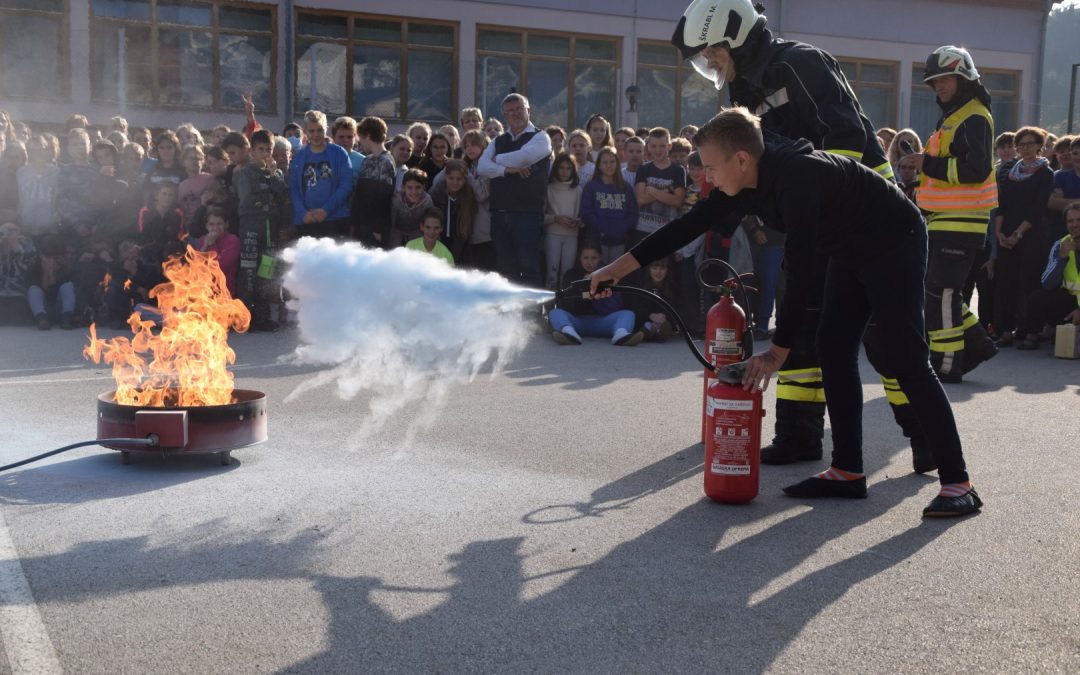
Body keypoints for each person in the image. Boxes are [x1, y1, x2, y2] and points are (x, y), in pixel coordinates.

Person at [591, 108, 981, 517]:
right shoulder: (744, 181)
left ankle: (959, 483)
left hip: (894, 241)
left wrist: (777, 351)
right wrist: (613, 271)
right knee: (833, 347)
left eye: (709, 167)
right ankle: (848, 471)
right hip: (849, 248)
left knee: (906, 358)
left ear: (741, 159)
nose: (705, 177)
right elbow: (688, 225)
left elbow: (801, 270)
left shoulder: (799, 176)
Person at [671, 0, 931, 473]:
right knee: (800, 322)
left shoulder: (801, 64)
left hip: (865, 216)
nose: (708, 63)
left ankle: (924, 436)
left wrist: (808, 197)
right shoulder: (745, 91)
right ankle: (797, 435)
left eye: (710, 52)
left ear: (734, 33)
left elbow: (847, 138)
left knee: (883, 340)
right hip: (810, 221)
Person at [907, 45, 1000, 382]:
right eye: (934, 82)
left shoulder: (973, 115)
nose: (939, 87)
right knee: (939, 290)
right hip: (946, 219)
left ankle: (947, 362)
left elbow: (976, 169)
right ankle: (975, 344)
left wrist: (927, 163)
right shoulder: (956, 115)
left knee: (942, 292)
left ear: (964, 78)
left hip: (961, 221)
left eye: (945, 79)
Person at [477, 93, 552, 288]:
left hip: (528, 215)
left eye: (519, 109)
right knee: (506, 270)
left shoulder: (541, 137)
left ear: (529, 110)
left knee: (529, 269)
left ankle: (531, 317)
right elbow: (482, 168)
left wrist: (497, 160)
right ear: (504, 115)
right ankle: (510, 317)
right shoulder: (498, 141)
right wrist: (506, 170)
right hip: (500, 215)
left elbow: (525, 157)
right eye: (510, 111)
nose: (515, 114)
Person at [991, 126, 1055, 346]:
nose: (1025, 148)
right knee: (1006, 283)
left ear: (1039, 145)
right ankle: (1006, 329)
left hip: (1031, 234)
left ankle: (1031, 331)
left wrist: (1018, 233)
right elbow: (1002, 204)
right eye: (1021, 144)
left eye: (1030, 144)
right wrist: (999, 232)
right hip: (1006, 233)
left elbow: (1037, 209)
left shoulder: (1045, 173)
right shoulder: (1011, 171)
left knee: (1030, 283)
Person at [234, 129, 289, 331]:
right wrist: (266, 199)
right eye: (261, 149)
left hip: (270, 230)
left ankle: (263, 317)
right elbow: (246, 200)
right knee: (248, 272)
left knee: (267, 273)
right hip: (251, 228)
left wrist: (274, 178)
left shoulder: (278, 173)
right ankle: (245, 319)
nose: (265, 154)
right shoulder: (245, 172)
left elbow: (282, 197)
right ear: (252, 151)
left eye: (269, 149)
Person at [550, 242, 643, 347]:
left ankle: (621, 335)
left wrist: (599, 288)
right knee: (555, 312)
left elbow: (615, 306)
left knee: (628, 314)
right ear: (579, 258)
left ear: (600, 258)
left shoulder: (608, 275)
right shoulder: (571, 275)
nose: (590, 262)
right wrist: (583, 288)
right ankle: (568, 334)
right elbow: (568, 306)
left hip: (603, 321)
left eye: (594, 258)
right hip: (578, 322)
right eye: (586, 258)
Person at [1015, 202, 1080, 349]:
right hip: (1070, 302)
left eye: (1079, 220)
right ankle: (1033, 336)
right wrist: (1061, 259)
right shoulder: (1060, 244)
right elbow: (1047, 283)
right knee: (1038, 297)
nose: (1075, 225)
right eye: (1070, 221)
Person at [289, 110, 352, 239]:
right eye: (312, 131)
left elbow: (346, 185)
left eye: (320, 130)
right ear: (305, 131)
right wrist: (302, 213)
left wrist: (326, 210)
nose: (316, 134)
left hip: (335, 219)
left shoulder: (339, 153)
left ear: (326, 130)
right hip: (306, 220)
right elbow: (294, 188)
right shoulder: (299, 157)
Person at [581, 148, 638, 265]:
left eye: (612, 162)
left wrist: (621, 229)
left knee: (614, 275)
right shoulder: (591, 187)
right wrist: (602, 228)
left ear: (617, 164)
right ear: (599, 166)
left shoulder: (626, 188)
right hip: (597, 240)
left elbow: (633, 213)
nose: (609, 165)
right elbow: (586, 213)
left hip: (619, 240)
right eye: (605, 162)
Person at [634, 127, 687, 247]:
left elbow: (678, 201)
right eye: (653, 146)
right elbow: (640, 200)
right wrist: (666, 192)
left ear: (669, 146)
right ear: (648, 147)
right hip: (643, 230)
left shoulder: (678, 170)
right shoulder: (643, 169)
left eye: (662, 146)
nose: (657, 150)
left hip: (667, 230)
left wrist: (652, 191)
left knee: (662, 266)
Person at [352, 116, 396, 248]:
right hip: (362, 224)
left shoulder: (386, 162)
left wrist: (378, 229)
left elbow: (382, 199)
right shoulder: (367, 160)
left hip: (375, 229)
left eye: (360, 137)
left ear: (367, 135)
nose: (360, 142)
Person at [544, 153, 582, 289]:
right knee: (552, 273)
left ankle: (565, 305)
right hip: (552, 235)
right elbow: (541, 216)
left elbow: (584, 216)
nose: (565, 172)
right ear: (555, 168)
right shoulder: (548, 188)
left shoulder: (578, 190)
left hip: (572, 236)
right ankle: (549, 305)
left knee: (567, 274)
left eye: (568, 168)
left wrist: (578, 222)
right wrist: (555, 218)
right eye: (561, 168)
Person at [427, 159, 476, 260]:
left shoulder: (468, 196)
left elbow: (464, 230)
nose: (455, 182)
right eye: (451, 178)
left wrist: (453, 257)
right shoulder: (435, 193)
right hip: (437, 239)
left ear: (465, 179)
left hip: (460, 244)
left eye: (459, 179)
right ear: (445, 177)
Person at [26, 236, 76, 330]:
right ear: (41, 256)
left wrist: (53, 274)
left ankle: (67, 319)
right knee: (33, 289)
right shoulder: (35, 268)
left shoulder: (65, 269)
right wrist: (46, 273)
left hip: (60, 309)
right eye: (48, 257)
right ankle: (42, 320)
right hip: (43, 310)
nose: (51, 260)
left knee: (68, 286)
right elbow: (44, 291)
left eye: (55, 257)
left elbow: (54, 293)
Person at [17, 135, 60, 239]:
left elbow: (59, 198)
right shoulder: (21, 172)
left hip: (49, 228)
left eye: (41, 149)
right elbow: (20, 198)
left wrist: (55, 219)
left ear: (46, 150)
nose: (38, 153)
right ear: (28, 152)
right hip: (26, 226)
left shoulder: (57, 172)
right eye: (33, 150)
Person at [629, 255, 679, 342]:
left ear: (667, 270)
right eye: (654, 268)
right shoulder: (640, 284)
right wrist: (650, 315)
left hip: (663, 321)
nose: (658, 272)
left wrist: (663, 317)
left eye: (662, 268)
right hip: (645, 320)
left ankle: (659, 333)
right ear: (649, 269)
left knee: (666, 326)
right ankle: (647, 333)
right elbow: (635, 307)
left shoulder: (673, 287)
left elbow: (677, 308)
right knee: (643, 325)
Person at [196, 206, 240, 298]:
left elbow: (221, 267)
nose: (215, 227)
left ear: (226, 225)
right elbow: (197, 266)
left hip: (224, 293)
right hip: (204, 292)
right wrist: (205, 246)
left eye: (219, 224)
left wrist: (211, 245)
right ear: (206, 226)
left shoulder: (232, 240)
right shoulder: (202, 240)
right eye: (211, 224)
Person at [0, 221, 36, 325]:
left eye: (12, 230)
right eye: (6, 230)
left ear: (19, 230)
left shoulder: (26, 242)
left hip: (18, 292)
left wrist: (16, 247)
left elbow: (28, 266)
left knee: (17, 321)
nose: (9, 234)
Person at [390, 168, 433, 248]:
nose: (414, 192)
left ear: (424, 187)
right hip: (398, 228)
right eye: (410, 188)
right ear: (403, 188)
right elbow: (392, 220)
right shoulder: (396, 199)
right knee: (394, 245)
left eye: (418, 187)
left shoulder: (427, 201)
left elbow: (429, 221)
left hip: (416, 230)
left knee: (415, 249)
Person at [142, 131, 186, 206]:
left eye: (169, 147)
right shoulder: (152, 171)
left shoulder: (182, 172)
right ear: (157, 150)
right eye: (161, 147)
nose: (165, 151)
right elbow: (146, 198)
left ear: (176, 149)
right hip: (153, 214)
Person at [178, 145, 215, 225]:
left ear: (203, 161)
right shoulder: (181, 185)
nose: (195, 161)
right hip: (189, 226)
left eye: (198, 158)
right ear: (183, 161)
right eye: (191, 158)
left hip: (207, 224)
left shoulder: (210, 179)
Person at [331, 116, 365, 187]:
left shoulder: (362, 161)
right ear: (333, 138)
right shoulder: (325, 157)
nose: (345, 140)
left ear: (355, 138)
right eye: (341, 137)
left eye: (349, 137)